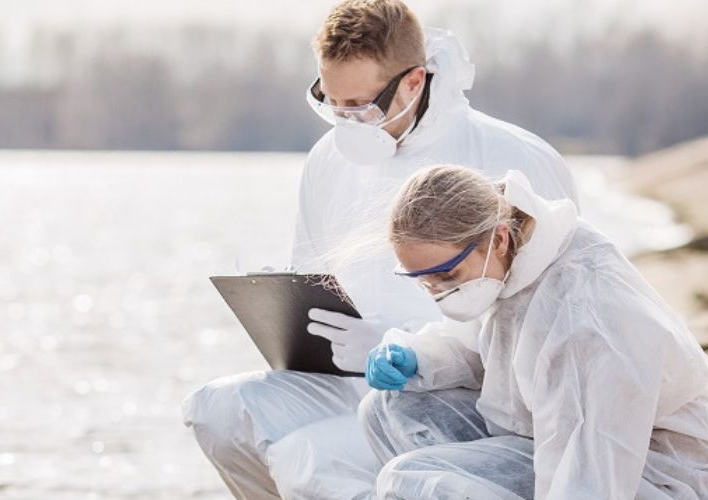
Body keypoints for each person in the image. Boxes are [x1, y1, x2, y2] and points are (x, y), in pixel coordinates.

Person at [182, 0, 578, 497]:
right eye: (331, 103)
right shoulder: (328, 158)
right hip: (348, 377)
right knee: (217, 409)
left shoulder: (510, 158)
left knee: (308, 456)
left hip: (457, 397)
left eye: (361, 107)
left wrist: (403, 342)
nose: (345, 123)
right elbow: (317, 270)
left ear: (414, 81)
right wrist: (286, 304)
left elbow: (553, 327)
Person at [360, 165, 708, 499]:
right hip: (552, 435)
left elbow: (592, 470)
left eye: (446, 276)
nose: (440, 292)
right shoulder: (517, 256)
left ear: (499, 239)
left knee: (411, 480)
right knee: (389, 407)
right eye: (423, 281)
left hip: (651, 472)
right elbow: (481, 343)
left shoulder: (584, 314)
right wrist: (417, 357)